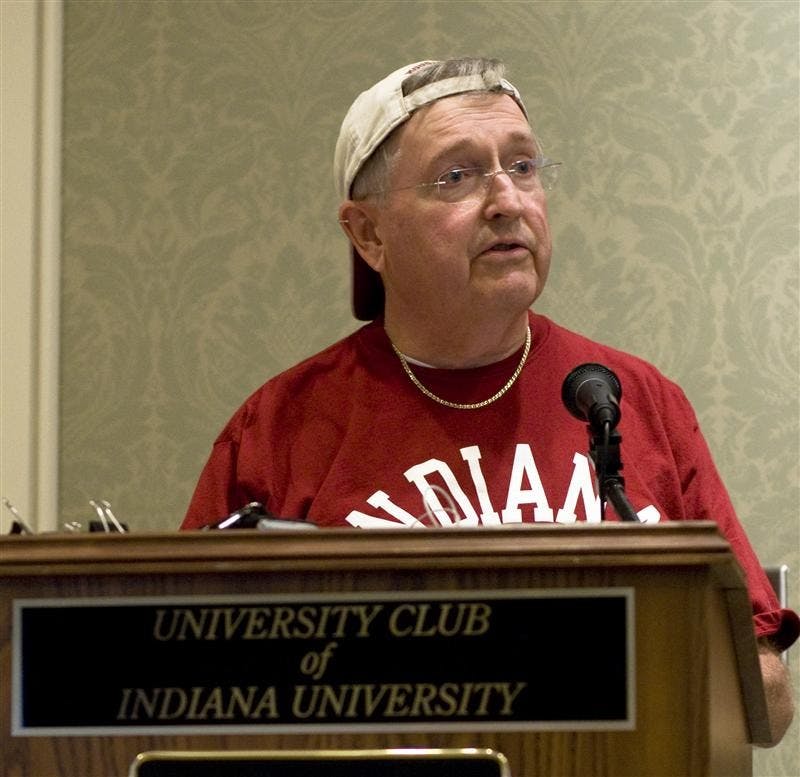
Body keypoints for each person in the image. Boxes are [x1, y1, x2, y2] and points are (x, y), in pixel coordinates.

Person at [182, 58, 797, 742]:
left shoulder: (631, 401)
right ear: (369, 234)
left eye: (525, 166)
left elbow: (769, 707)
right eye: (457, 176)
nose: (508, 200)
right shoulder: (277, 427)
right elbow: (185, 691)